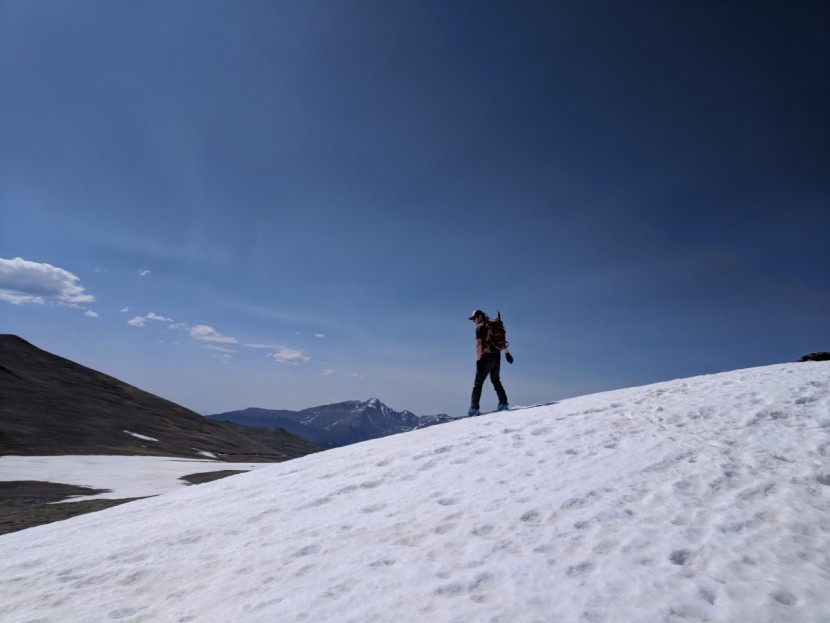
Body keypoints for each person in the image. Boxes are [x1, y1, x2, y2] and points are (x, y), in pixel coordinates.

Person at [467, 309, 511, 416]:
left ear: (479, 317)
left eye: (474, 319)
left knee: (478, 383)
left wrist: (478, 361)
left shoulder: (479, 327)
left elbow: (478, 345)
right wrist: (507, 353)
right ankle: (503, 403)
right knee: (496, 380)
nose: (474, 322)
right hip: (497, 355)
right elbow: (501, 341)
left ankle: (474, 408)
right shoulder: (491, 326)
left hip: (486, 357)